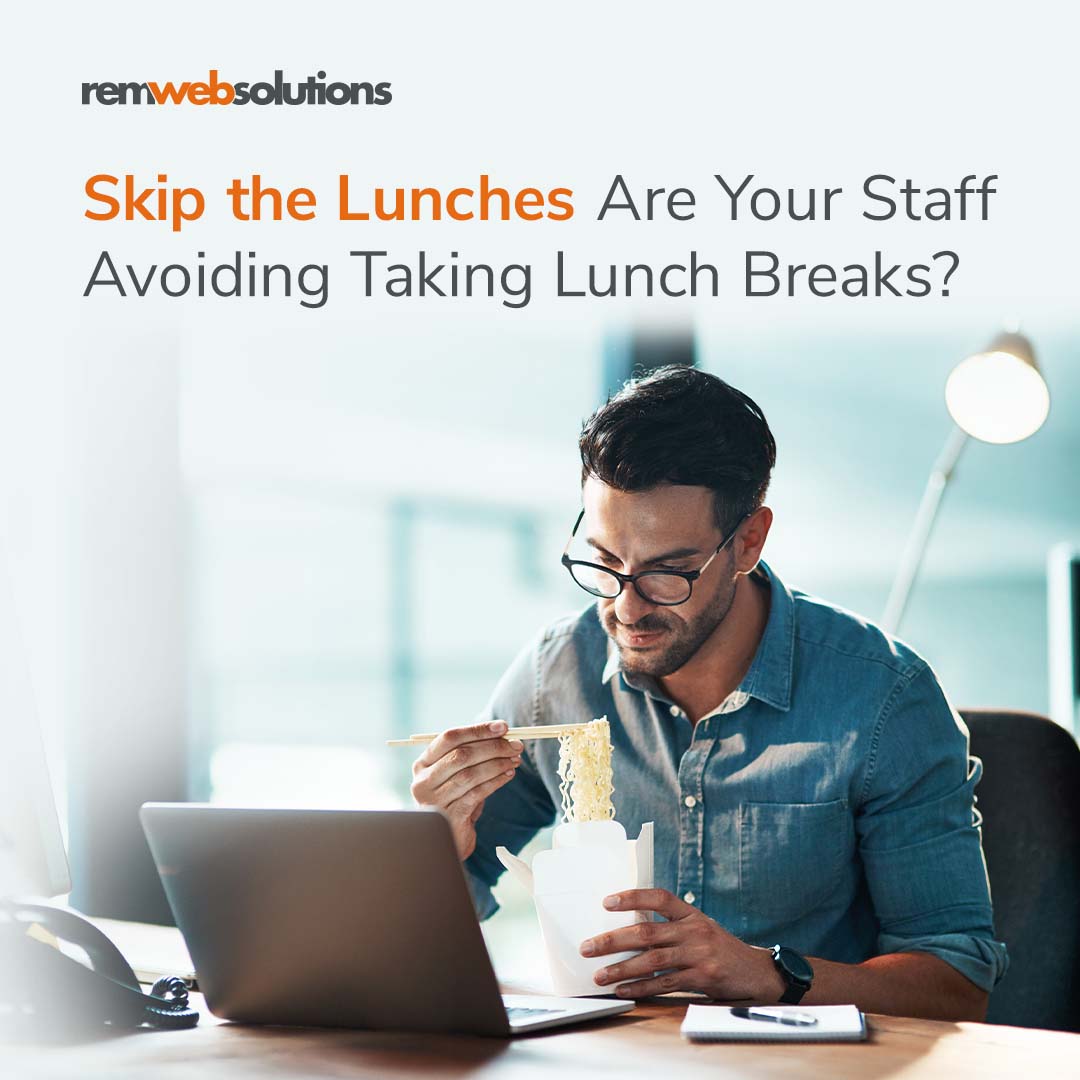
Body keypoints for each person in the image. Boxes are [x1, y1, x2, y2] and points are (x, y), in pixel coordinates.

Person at [409, 366, 1007, 1021]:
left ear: (748, 540)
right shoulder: (557, 677)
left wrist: (766, 972)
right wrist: (436, 847)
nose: (626, 607)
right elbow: (417, 935)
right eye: (604, 561)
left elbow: (958, 982)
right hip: (617, 1062)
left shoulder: (885, 700)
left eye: (668, 572)